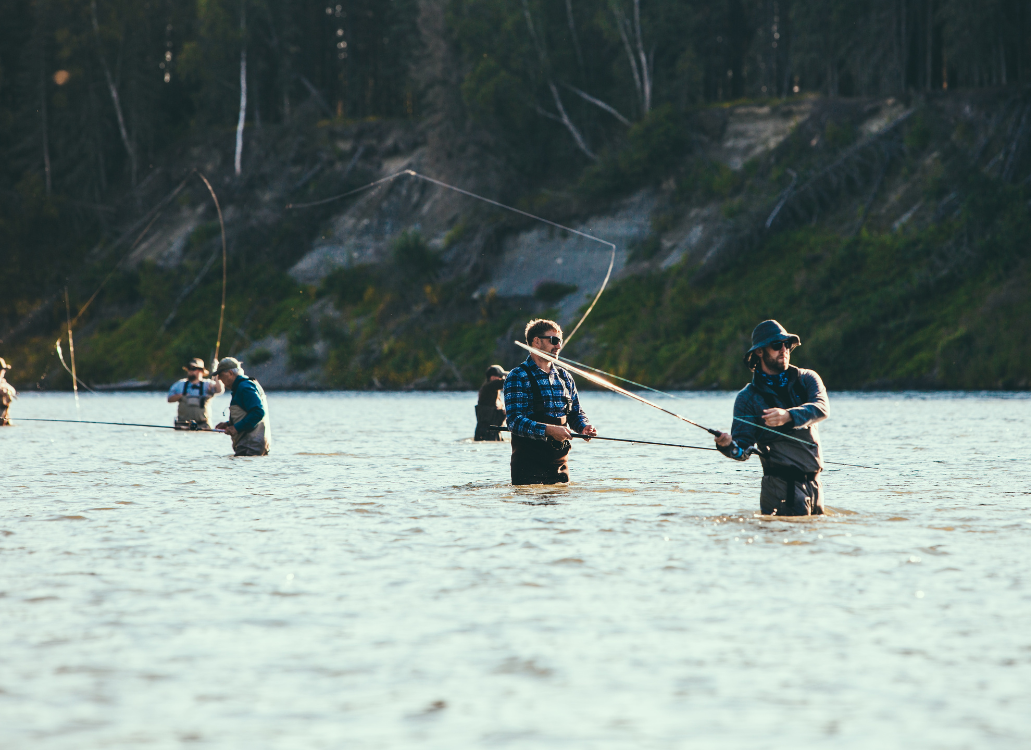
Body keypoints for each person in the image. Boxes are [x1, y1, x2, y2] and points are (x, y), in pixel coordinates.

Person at [713, 320, 829, 516]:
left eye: (787, 344)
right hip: (781, 488)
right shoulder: (747, 398)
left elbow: (821, 409)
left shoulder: (807, 379)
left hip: (815, 486)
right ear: (759, 352)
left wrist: (788, 416)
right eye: (776, 345)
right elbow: (742, 451)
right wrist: (726, 446)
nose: (783, 349)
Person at [504, 319, 597, 485]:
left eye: (559, 341)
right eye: (553, 340)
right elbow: (514, 421)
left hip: (561, 468)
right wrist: (549, 430)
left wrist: (584, 427)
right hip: (528, 468)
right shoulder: (517, 376)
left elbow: (575, 412)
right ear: (536, 341)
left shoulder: (565, 377)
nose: (558, 346)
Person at [213, 357, 272, 456]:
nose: (218, 378)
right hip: (254, 447)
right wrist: (230, 424)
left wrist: (236, 428)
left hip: (250, 447)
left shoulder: (244, 387)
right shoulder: (246, 385)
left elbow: (258, 412)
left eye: (221, 375)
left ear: (231, 373)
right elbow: (248, 413)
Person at [167, 357, 224, 429]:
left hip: (203, 425)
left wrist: (216, 372)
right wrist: (181, 396)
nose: (190, 371)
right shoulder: (180, 384)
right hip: (183, 425)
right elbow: (169, 399)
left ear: (201, 370)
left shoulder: (208, 384)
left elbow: (220, 390)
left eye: (193, 369)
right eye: (189, 369)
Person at [474, 364, 508, 441]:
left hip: (492, 430)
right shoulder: (489, 387)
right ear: (492, 377)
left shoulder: (492, 390)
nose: (501, 378)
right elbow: (507, 382)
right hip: (487, 432)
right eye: (500, 376)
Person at [0, 357, 16, 426]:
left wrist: (7, 391)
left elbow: (13, 391)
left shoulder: (3, 382)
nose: (4, 372)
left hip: (4, 418)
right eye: (3, 370)